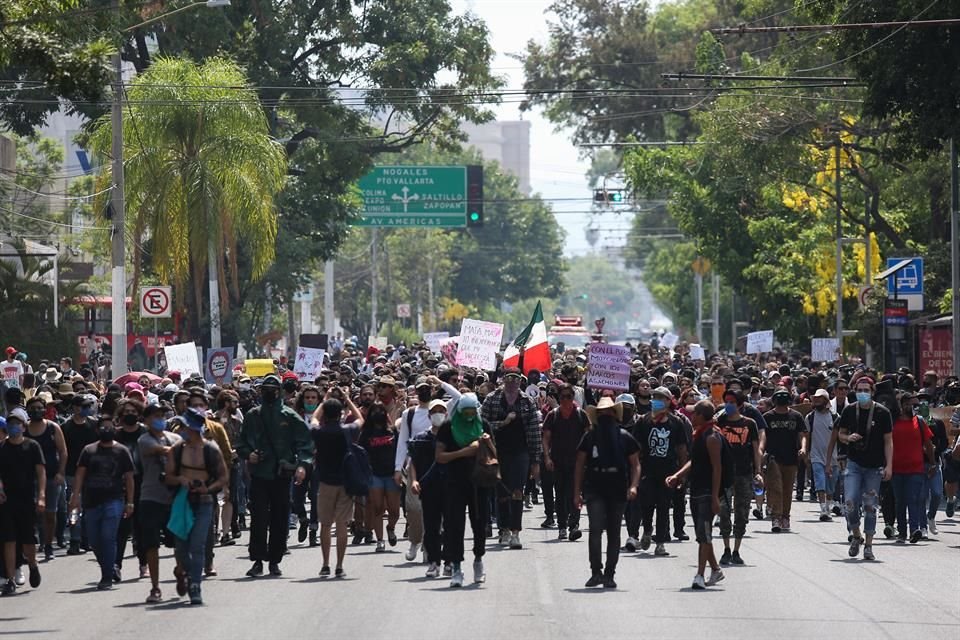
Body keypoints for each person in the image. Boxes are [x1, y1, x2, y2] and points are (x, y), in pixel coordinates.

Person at [236, 375, 313, 578]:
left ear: (279, 391)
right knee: (259, 519)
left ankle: (275, 561)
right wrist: (248, 454)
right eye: (265, 389)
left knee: (280, 519)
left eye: (272, 388)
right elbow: (241, 443)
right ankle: (258, 560)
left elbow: (305, 443)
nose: (269, 392)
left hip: (281, 475)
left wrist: (302, 466)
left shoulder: (289, 416)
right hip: (260, 474)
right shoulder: (253, 415)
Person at [573, 397, 641, 589]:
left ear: (615, 414)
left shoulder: (625, 437)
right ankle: (596, 572)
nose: (605, 415)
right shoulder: (590, 437)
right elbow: (579, 464)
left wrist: (634, 486)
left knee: (614, 532)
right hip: (594, 486)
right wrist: (576, 492)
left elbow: (635, 464)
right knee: (595, 529)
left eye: (609, 412)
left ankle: (610, 574)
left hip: (618, 486)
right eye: (601, 412)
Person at [394, 375, 460, 562]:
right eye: (420, 388)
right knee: (414, 509)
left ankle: (427, 547)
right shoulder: (410, 414)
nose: (424, 391)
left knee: (432, 511)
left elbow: (458, 398)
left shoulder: (441, 408)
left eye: (427, 388)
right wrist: (398, 467)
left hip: (439, 466)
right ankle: (415, 542)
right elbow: (402, 442)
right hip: (415, 466)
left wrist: (440, 383)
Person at [164, 408, 226, 605]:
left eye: (186, 427)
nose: (183, 430)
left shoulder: (211, 450)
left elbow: (223, 477)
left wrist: (207, 489)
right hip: (181, 502)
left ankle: (195, 585)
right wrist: (181, 479)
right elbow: (168, 476)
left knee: (198, 545)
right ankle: (183, 571)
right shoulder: (177, 450)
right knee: (181, 547)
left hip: (204, 503)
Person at [68, 414, 136, 590]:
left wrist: (130, 502)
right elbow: (80, 474)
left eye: (110, 427)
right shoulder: (88, 451)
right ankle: (109, 565)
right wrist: (75, 496)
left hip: (114, 499)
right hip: (91, 501)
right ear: (97, 430)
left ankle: (106, 576)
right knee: (94, 540)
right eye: (103, 428)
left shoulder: (122, 451)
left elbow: (129, 477)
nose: (107, 430)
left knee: (108, 536)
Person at [829, 377, 893, 561]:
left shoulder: (882, 412)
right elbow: (840, 434)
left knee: (870, 506)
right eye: (860, 390)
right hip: (854, 464)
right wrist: (848, 438)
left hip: (874, 466)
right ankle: (856, 535)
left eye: (866, 390)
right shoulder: (850, 410)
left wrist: (889, 465)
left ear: (872, 392)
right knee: (849, 502)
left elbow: (889, 441)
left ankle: (869, 545)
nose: (863, 393)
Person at [481, 367, 542, 549]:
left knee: (517, 491)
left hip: (520, 453)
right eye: (509, 378)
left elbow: (534, 432)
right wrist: (504, 422)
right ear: (503, 379)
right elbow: (482, 425)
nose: (512, 382)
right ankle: (504, 529)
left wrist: (535, 461)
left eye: (516, 378)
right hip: (497, 452)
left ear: (520, 381)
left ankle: (515, 532)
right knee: (501, 493)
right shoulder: (492, 399)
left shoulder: (527, 401)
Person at [666, 400, 725, 590]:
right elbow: (694, 461)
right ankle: (715, 569)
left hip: (708, 492)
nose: (691, 416)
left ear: (701, 415)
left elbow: (717, 469)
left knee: (704, 533)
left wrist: (715, 497)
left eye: (694, 413)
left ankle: (700, 574)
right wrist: (677, 475)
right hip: (697, 490)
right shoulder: (699, 435)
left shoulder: (712, 437)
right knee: (702, 533)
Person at [436, 393, 492, 587]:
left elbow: (494, 454)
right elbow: (440, 457)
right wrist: (464, 452)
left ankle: (478, 560)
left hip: (479, 483)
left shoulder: (483, 424)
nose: (469, 416)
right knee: (454, 525)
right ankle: (457, 567)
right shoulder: (447, 427)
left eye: (472, 412)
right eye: (465, 412)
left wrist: (485, 443)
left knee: (479, 523)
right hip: (455, 482)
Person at [631, 386, 688, 556]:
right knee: (647, 505)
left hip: (668, 471)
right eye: (654, 397)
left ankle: (661, 542)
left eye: (661, 398)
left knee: (663, 506)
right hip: (648, 469)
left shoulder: (676, 423)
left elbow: (681, 448)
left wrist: (682, 474)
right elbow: (636, 447)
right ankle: (647, 530)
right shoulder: (643, 421)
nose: (656, 400)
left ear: (668, 402)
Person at [311, 398, 362, 578]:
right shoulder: (348, 431)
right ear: (341, 413)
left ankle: (325, 564)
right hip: (345, 483)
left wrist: (322, 402)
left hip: (325, 482)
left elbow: (313, 420)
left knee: (325, 524)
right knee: (342, 525)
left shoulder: (319, 432)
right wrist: (348, 399)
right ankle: (339, 565)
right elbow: (359, 419)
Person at [137, 403, 181, 604]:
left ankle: (181, 571)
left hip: (173, 498)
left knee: (179, 542)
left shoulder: (176, 438)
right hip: (151, 497)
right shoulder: (144, 440)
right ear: (146, 420)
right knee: (151, 544)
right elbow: (163, 450)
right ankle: (155, 587)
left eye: (162, 415)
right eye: (155, 415)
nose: (159, 419)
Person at [0, 411, 45, 596]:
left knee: (27, 540)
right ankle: (10, 580)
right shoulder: (2, 447)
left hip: (27, 499)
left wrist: (42, 495)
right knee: (8, 539)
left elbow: (41, 472)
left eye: (17, 423)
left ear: (23, 426)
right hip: (6, 501)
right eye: (10, 424)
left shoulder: (32, 446)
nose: (13, 427)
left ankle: (33, 565)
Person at [716, 389, 762, 565]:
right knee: (724, 511)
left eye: (732, 402)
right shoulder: (719, 422)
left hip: (744, 473)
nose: (728, 405)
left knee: (742, 512)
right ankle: (726, 548)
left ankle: (736, 549)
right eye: (726, 401)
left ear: (740, 405)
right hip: (724, 474)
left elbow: (755, 449)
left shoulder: (749, 424)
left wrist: (758, 471)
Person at [543, 383, 589, 541]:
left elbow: (588, 436)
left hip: (577, 462)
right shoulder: (553, 415)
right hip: (558, 461)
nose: (566, 400)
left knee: (575, 493)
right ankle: (562, 525)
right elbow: (546, 438)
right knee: (560, 494)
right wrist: (547, 458)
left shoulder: (581, 415)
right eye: (562, 397)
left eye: (569, 396)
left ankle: (574, 524)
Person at [23, 395, 67, 562]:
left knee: (50, 513)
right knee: (33, 514)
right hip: (28, 478)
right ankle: (35, 543)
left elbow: (62, 451)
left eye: (39, 408)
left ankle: (48, 545)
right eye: (32, 408)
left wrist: (61, 473)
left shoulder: (52, 427)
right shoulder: (24, 429)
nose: (36, 411)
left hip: (51, 477)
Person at [407, 399, 447, 577]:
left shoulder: (453, 437)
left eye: (441, 411)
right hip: (428, 488)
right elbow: (413, 462)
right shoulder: (420, 438)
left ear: (446, 414)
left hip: (449, 487)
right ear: (429, 415)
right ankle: (433, 562)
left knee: (449, 527)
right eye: (434, 411)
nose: (438, 414)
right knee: (431, 527)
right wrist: (414, 481)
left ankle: (449, 561)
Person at [761, 387, 808, 532]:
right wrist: (761, 453)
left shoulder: (796, 416)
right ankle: (776, 517)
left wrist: (803, 448)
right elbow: (763, 436)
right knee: (776, 488)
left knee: (787, 490)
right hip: (773, 458)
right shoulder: (768, 417)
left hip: (792, 458)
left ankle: (785, 516)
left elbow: (803, 434)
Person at [889, 393, 933, 544]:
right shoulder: (892, 422)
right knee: (900, 501)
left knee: (912, 499)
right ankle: (902, 532)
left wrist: (933, 463)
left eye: (911, 405)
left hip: (916, 469)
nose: (909, 407)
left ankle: (914, 530)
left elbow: (928, 444)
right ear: (901, 405)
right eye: (906, 404)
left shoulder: (919, 422)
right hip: (896, 469)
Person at [359, 403, 400, 552]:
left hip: (391, 474)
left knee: (394, 511)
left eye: (381, 411)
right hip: (374, 475)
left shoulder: (393, 432)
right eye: (374, 411)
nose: (378, 413)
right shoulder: (365, 434)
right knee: (377, 509)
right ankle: (380, 540)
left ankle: (390, 528)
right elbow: (361, 453)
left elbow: (400, 451)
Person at [113, 399, 147, 580]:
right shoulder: (115, 436)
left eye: (133, 411)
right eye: (126, 411)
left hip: (143, 484)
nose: (130, 414)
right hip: (120, 487)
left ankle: (144, 564)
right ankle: (116, 564)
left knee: (141, 528)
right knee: (121, 528)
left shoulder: (145, 433)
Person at [62, 394, 99, 555]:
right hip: (72, 473)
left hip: (92, 472)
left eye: (88, 406)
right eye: (83, 406)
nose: (87, 409)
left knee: (90, 508)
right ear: (75, 408)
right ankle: (75, 541)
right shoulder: (66, 427)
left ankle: (87, 539)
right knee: (75, 507)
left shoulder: (94, 424)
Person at [806, 389, 840, 522]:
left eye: (820, 399)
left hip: (833, 458)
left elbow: (840, 437)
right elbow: (807, 436)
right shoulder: (810, 417)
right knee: (820, 482)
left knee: (830, 486)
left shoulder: (835, 417)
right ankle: (823, 509)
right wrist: (807, 453)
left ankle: (829, 506)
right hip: (816, 456)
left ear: (826, 401)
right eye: (815, 399)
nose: (817, 401)